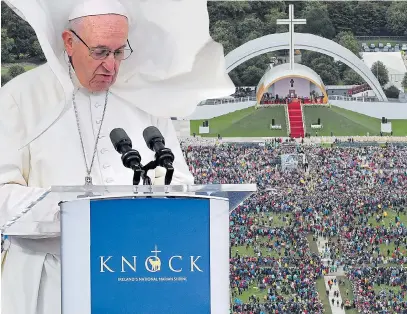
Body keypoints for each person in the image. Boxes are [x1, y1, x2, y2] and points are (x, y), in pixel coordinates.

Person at [0, 0, 234, 313]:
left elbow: (177, 177)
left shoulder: (145, 95)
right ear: (69, 42)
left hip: (130, 271)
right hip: (50, 278)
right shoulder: (19, 97)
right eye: (100, 52)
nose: (111, 66)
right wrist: (73, 214)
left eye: (119, 52)